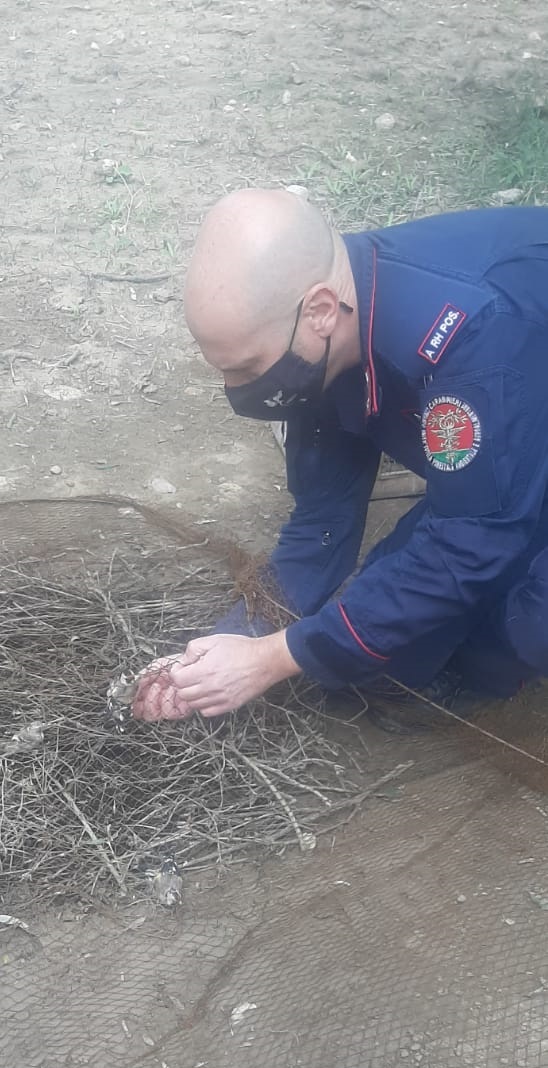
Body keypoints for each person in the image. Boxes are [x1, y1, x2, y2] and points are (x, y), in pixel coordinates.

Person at [132, 188, 548, 723]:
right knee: (387, 659)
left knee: (525, 624)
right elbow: (322, 520)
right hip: (519, 414)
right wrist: (234, 641)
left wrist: (274, 658)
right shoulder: (322, 337)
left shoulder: (468, 335)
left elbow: (471, 542)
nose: (238, 389)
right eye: (225, 371)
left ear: (321, 311)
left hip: (516, 385)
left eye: (248, 367)